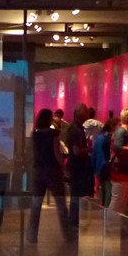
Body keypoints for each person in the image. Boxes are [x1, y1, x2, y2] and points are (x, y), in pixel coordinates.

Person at [25, 109, 69, 243]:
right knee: (61, 203)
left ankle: (32, 235)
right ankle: (67, 234)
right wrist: (64, 167)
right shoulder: (53, 134)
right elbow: (57, 153)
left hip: (38, 170)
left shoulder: (35, 134)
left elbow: (31, 153)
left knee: (36, 204)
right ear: (50, 119)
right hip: (53, 170)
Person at [66, 104, 94, 237]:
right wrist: (88, 149)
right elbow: (77, 151)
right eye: (86, 113)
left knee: (75, 196)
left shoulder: (75, 128)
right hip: (78, 167)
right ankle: (73, 224)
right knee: (76, 196)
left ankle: (73, 223)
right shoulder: (76, 130)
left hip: (75, 166)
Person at [109, 106, 128, 215]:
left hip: (121, 170)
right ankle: (109, 226)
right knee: (117, 201)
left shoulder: (121, 131)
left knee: (120, 201)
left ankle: (113, 226)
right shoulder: (121, 132)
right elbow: (118, 147)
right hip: (120, 170)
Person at [92, 117, 117, 207]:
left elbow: (94, 155)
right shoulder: (110, 139)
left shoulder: (98, 138)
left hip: (99, 168)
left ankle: (103, 213)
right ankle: (106, 216)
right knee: (109, 194)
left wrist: (94, 169)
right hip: (107, 169)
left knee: (103, 193)